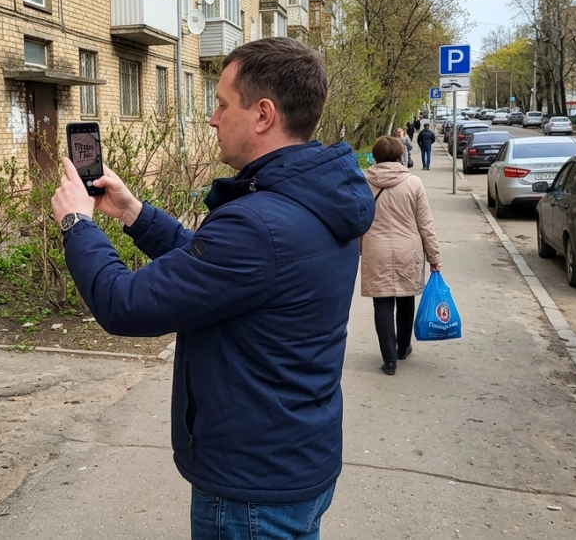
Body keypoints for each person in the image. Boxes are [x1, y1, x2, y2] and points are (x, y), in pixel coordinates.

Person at [50, 37, 375, 540]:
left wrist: (78, 224)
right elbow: (222, 271)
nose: (212, 118)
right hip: (297, 462)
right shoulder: (314, 198)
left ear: (263, 114)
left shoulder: (258, 224)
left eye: (222, 104)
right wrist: (136, 215)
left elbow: (125, 305)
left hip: (251, 491)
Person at [360, 136, 441, 375]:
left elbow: (357, 218)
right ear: (399, 156)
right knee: (406, 298)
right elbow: (425, 223)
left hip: (376, 249)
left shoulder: (363, 182)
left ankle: (389, 360)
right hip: (409, 248)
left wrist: (353, 251)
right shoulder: (414, 183)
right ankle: (403, 347)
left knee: (382, 302)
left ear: (374, 157)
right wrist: (434, 256)